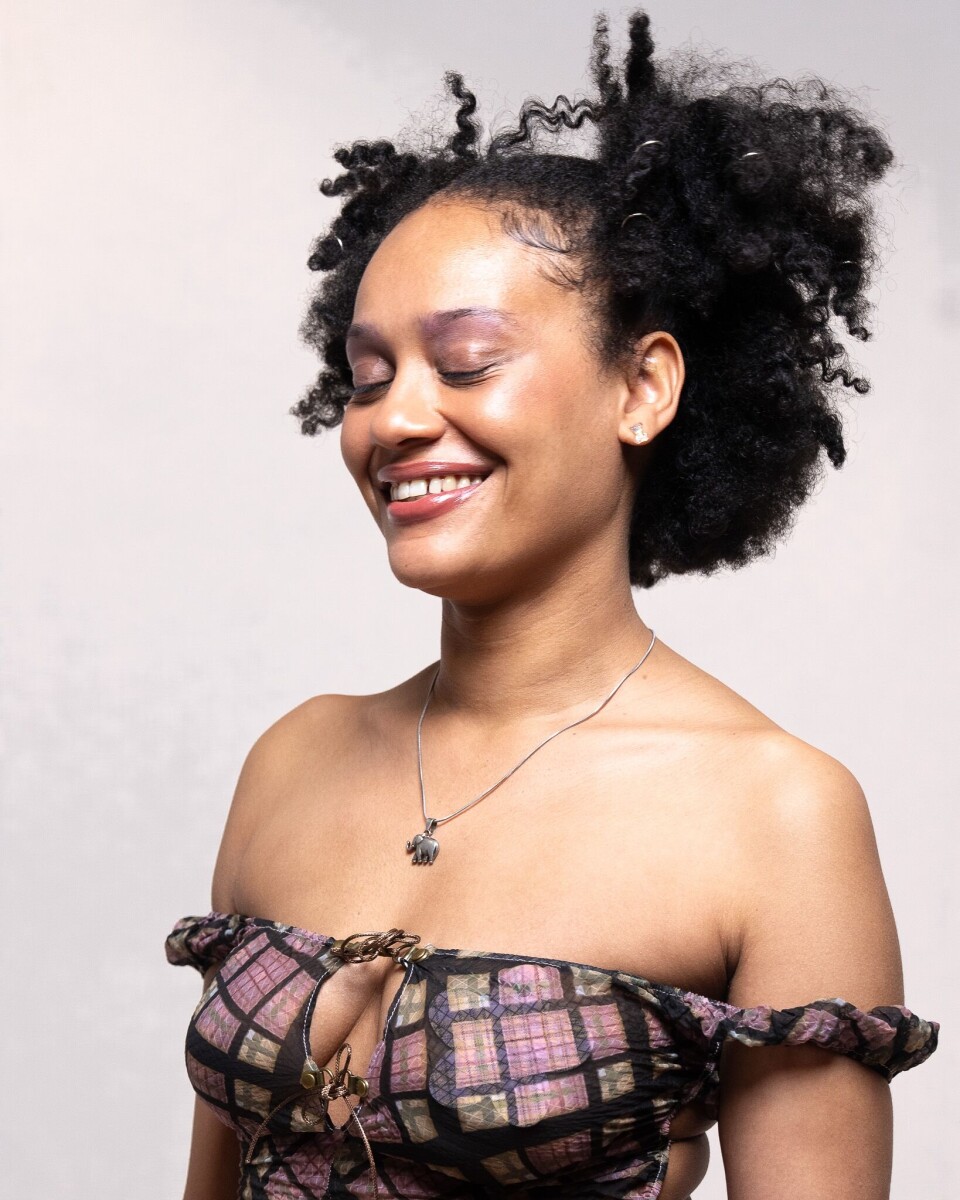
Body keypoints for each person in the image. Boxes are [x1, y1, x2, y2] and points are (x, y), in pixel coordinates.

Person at [165, 10, 940, 1199]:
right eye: (368, 379)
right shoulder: (294, 759)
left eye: (466, 362)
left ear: (643, 385)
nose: (396, 421)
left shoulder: (776, 815)